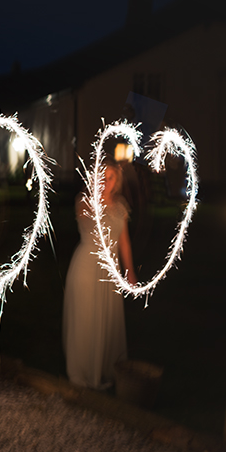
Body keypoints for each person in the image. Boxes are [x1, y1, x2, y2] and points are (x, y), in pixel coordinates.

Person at [63, 159, 137, 390]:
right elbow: (89, 222)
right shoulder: (84, 201)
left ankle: (105, 369)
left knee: (107, 317)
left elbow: (123, 242)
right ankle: (84, 371)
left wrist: (130, 272)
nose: (105, 181)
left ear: (117, 182)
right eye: (101, 176)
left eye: (110, 177)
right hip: (87, 266)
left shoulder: (120, 206)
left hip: (110, 269)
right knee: (87, 317)